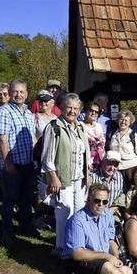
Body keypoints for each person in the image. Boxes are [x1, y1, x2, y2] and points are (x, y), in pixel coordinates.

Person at [41, 93, 92, 255]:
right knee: (65, 210)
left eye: (76, 108)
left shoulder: (81, 127)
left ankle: (75, 246)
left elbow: (86, 152)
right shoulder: (54, 127)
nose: (72, 111)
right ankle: (61, 247)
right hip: (63, 177)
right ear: (61, 108)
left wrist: (88, 173)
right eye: (69, 107)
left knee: (78, 211)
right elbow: (47, 156)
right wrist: (53, 177)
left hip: (79, 178)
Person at [0, 79, 39, 243]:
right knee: (10, 198)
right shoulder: (5, 111)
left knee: (26, 198)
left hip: (28, 163)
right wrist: (8, 163)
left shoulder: (28, 113)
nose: (18, 95)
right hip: (13, 164)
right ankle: (6, 231)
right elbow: (2, 139)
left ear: (26, 94)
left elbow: (32, 138)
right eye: (15, 91)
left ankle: (25, 226)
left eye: (22, 92)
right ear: (10, 93)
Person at [108, 109, 137, 190]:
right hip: (116, 168)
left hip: (131, 168)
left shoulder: (133, 135)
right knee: (117, 190)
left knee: (131, 190)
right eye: (121, 119)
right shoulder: (112, 134)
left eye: (126, 120)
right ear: (118, 120)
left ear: (130, 122)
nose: (123, 122)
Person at [90, 151, 125, 218]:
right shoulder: (93, 177)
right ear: (103, 163)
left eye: (115, 165)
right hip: (94, 213)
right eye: (109, 164)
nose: (112, 168)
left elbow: (121, 195)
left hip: (112, 213)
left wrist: (114, 208)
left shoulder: (119, 176)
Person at [82, 101, 106, 171]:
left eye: (96, 112)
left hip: (101, 161)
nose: (94, 113)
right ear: (86, 111)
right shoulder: (80, 126)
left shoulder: (99, 126)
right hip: (87, 161)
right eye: (91, 110)